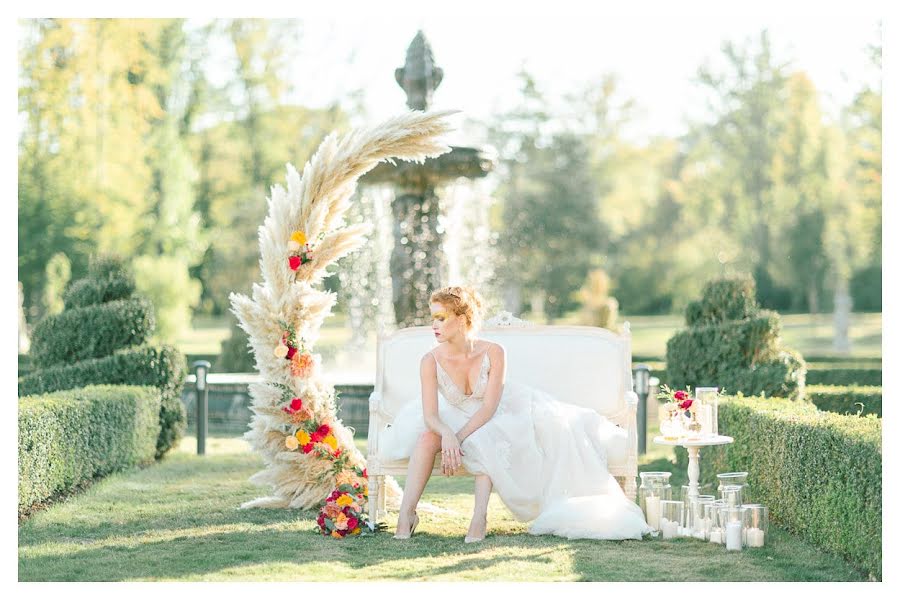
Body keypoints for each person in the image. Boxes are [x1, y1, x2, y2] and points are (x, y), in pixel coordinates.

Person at [378, 285, 651, 543]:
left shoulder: (494, 352)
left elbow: (489, 408)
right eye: (432, 318)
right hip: (452, 414)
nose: (434, 325)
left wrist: (458, 438)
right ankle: (407, 514)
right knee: (427, 438)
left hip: (501, 411)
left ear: (461, 319)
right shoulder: (429, 360)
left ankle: (479, 518)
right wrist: (447, 434)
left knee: (485, 438)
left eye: (440, 317)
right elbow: (431, 415)